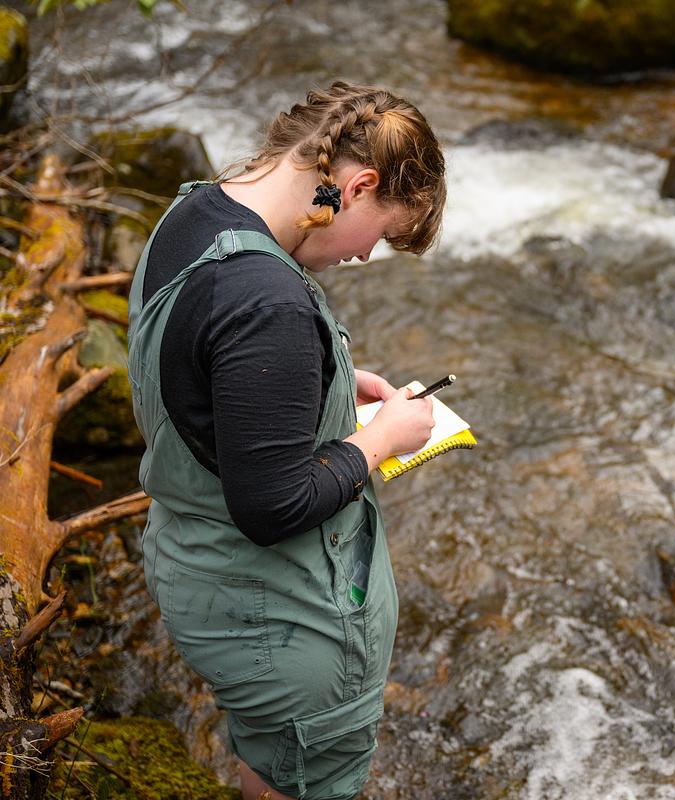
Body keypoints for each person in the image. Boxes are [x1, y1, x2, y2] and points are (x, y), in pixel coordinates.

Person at [126, 81, 446, 800]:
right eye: (383, 233)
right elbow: (272, 506)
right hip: (279, 621)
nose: (367, 256)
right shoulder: (267, 299)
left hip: (195, 564)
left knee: (272, 767)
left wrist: (317, 375)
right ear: (356, 187)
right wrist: (383, 439)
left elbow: (196, 366)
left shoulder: (195, 210)